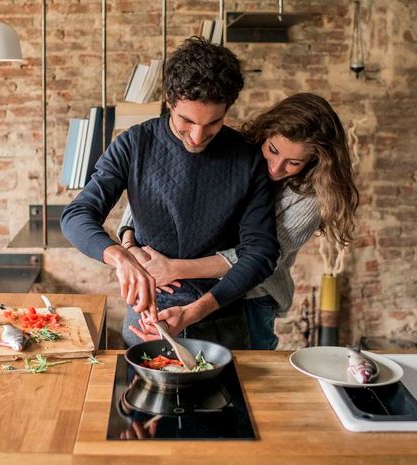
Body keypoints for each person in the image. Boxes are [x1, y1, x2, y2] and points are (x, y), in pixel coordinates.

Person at [61, 37, 280, 349]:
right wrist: (121, 257)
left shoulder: (247, 158)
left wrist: (193, 313)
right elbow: (76, 216)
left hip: (222, 318)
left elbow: (261, 253)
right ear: (169, 99)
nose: (197, 136)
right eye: (186, 121)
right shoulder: (134, 144)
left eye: (213, 123)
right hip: (148, 318)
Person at [119, 93, 359, 349]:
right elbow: (155, 193)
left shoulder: (309, 200)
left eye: (293, 162)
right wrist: (129, 244)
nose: (276, 167)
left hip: (252, 298)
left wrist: (174, 268)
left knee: (245, 376)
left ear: (315, 161)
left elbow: (257, 258)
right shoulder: (235, 153)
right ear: (265, 134)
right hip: (189, 284)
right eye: (272, 150)